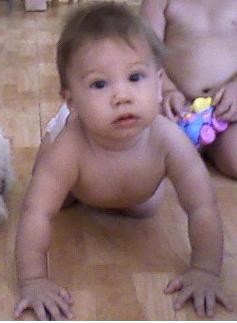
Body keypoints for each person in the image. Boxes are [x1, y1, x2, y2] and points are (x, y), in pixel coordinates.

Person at [14, 2, 232, 320]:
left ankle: (121, 193)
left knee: (143, 207)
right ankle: (70, 179)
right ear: (72, 100)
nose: (122, 96)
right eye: (100, 84)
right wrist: (32, 281)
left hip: (133, 183)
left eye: (135, 77)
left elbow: (203, 206)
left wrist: (205, 270)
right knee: (50, 195)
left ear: (159, 85)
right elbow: (36, 213)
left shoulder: (169, 139)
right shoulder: (69, 147)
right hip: (77, 160)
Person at [140, 0, 237, 179]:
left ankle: (213, 150)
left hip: (228, 114)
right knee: (140, 157)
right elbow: (145, 53)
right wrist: (167, 90)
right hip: (175, 109)